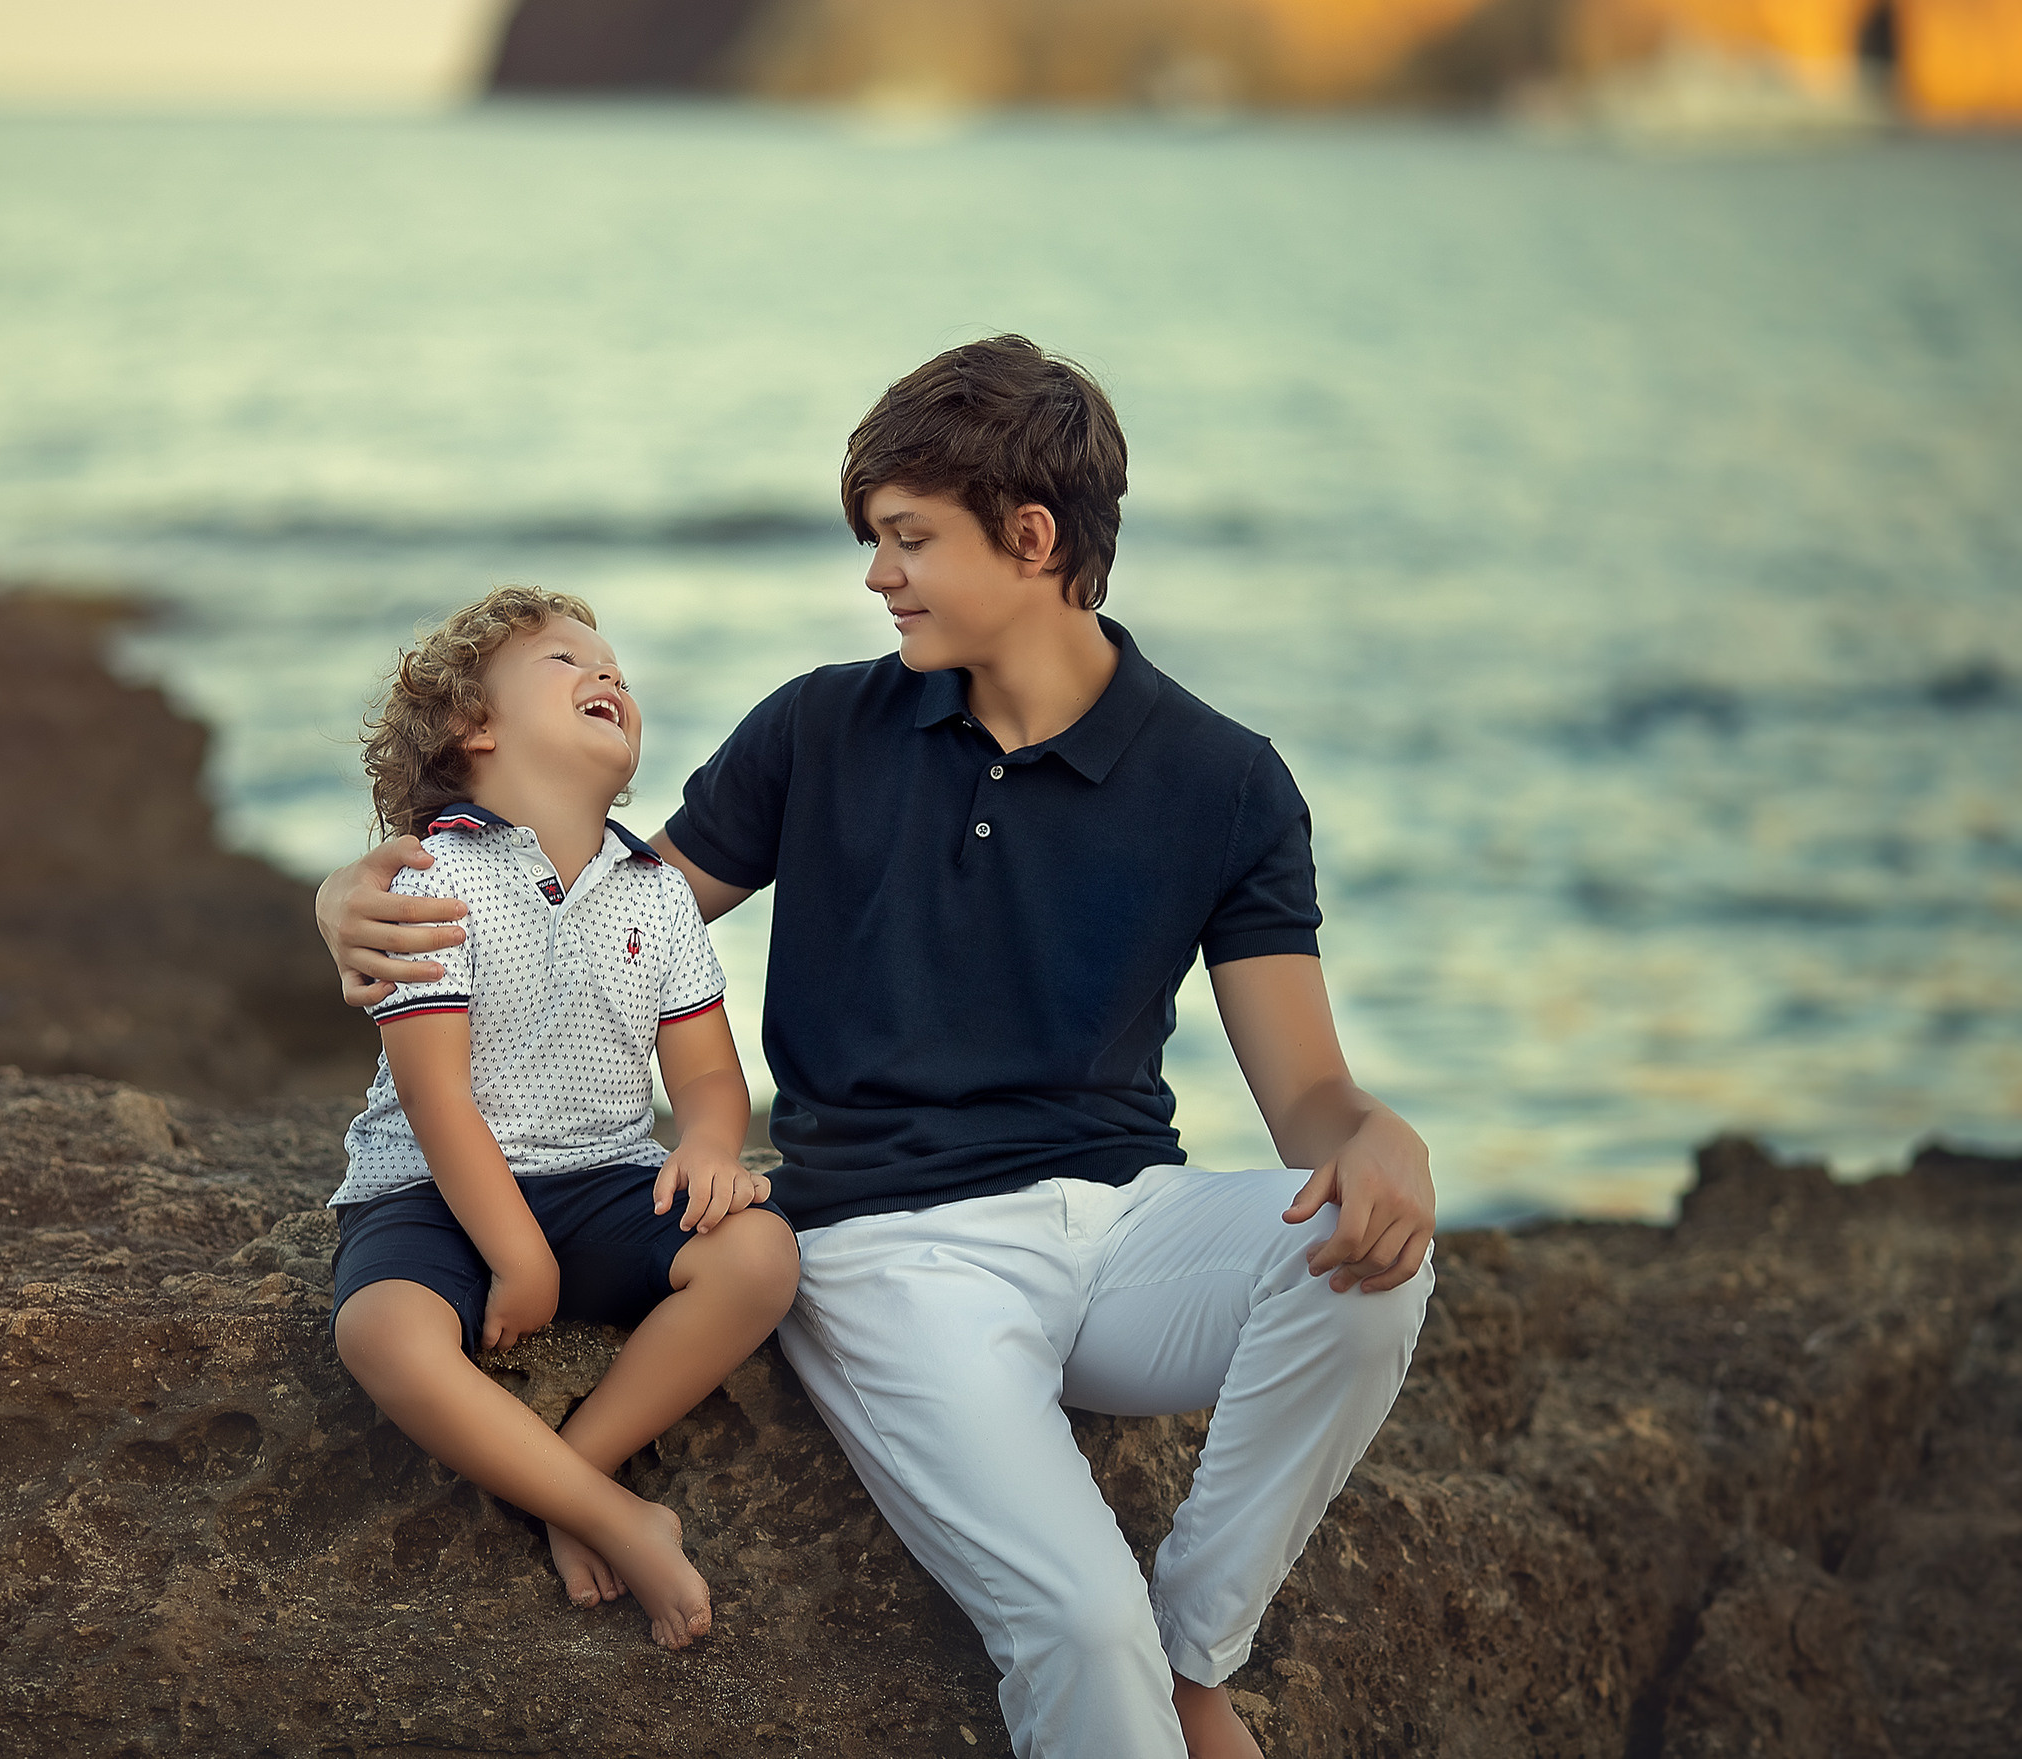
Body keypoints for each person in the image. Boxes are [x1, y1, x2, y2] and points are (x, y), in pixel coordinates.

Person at [317, 338, 1436, 1759]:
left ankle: (1201, 1647)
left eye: (908, 538)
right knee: (1081, 1634)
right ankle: (1147, 1667)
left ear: (1031, 540)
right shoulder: (822, 727)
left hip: (1126, 1223)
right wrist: (352, 890)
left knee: (1372, 1261)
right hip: (892, 1247)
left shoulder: (1226, 779)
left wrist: (1375, 1136)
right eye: (873, 541)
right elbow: (596, 908)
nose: (876, 575)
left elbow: (1310, 1098)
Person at [325, 586, 800, 1654]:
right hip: (433, 1188)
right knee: (379, 1331)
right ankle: (618, 1513)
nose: (607, 677)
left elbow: (711, 1082)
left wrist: (714, 1152)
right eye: (565, 661)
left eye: (617, 670)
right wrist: (515, 1254)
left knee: (761, 1255)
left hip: (600, 1179)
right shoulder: (433, 877)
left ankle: (573, 1480)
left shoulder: (655, 892)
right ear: (471, 728)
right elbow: (434, 1095)